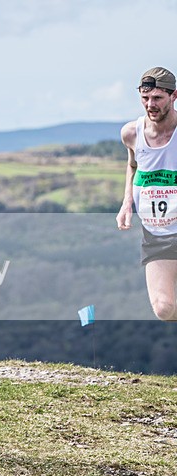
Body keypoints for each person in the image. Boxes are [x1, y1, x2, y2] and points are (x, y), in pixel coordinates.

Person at [116, 67, 177, 321]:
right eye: (145, 98)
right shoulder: (131, 133)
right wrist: (126, 203)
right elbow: (133, 166)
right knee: (164, 309)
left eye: (157, 98)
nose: (150, 105)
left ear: (174, 96)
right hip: (156, 233)